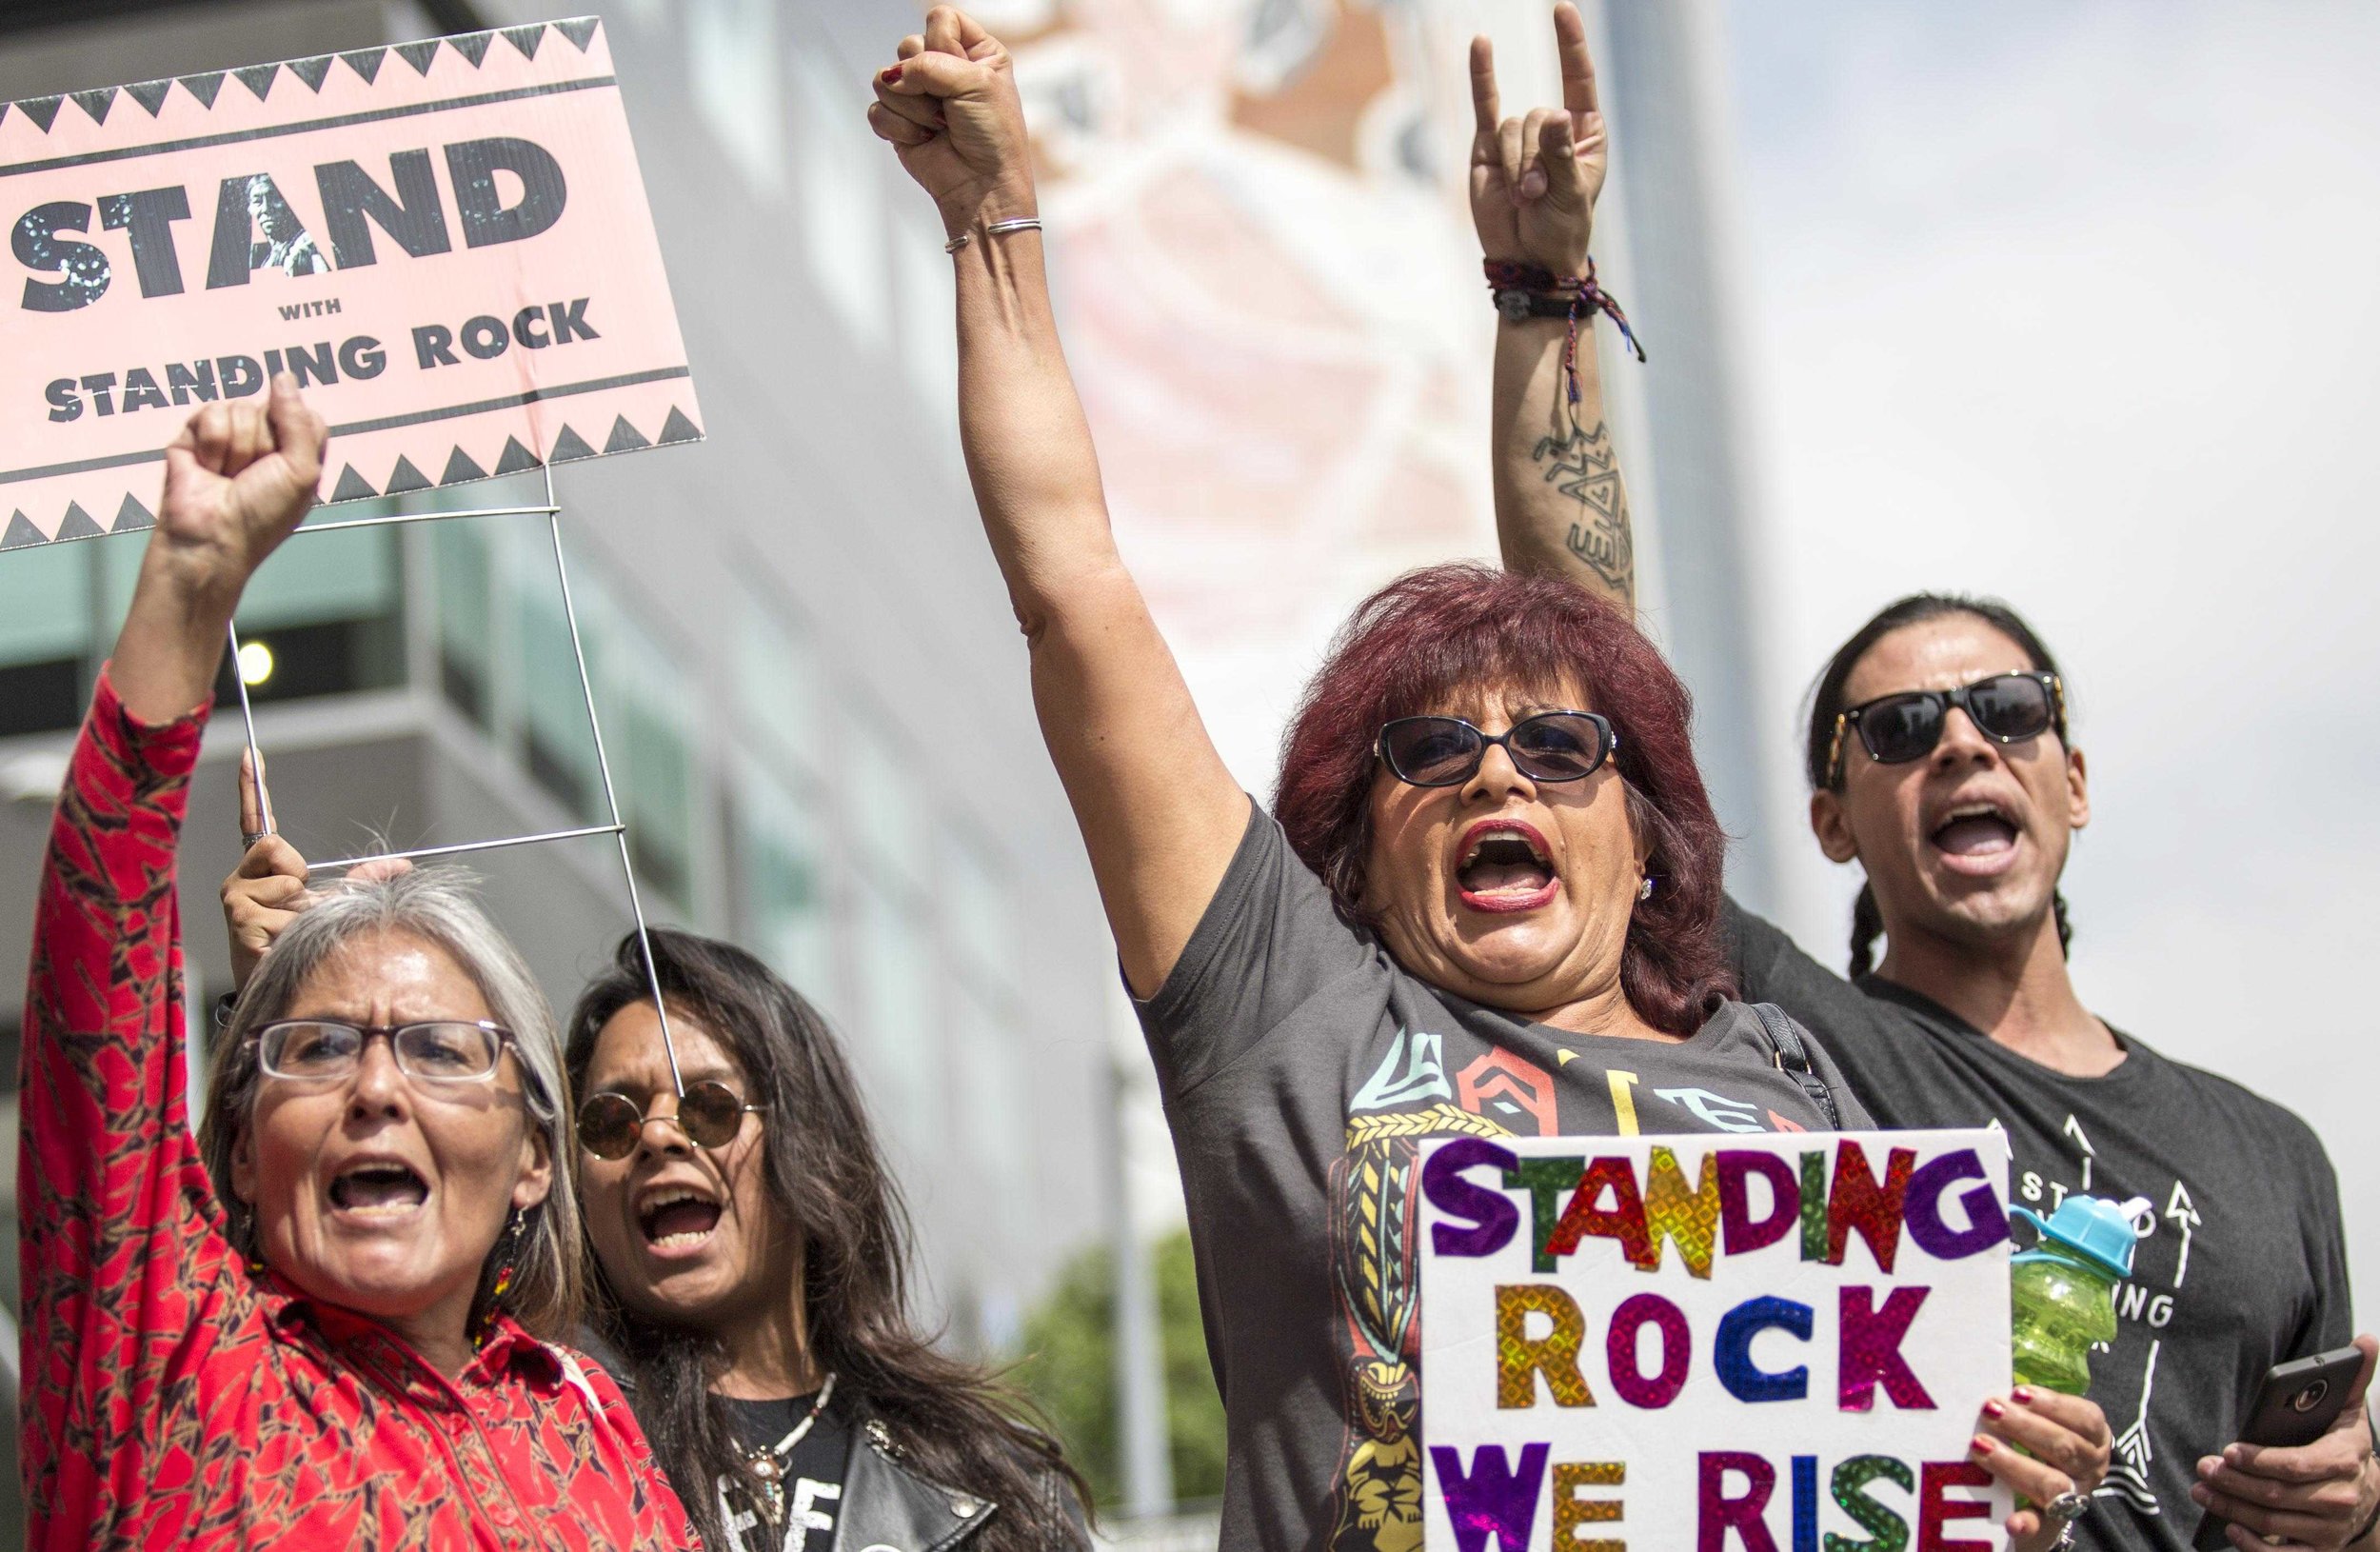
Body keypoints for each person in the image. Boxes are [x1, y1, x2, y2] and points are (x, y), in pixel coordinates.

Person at [863, 10, 2108, 1551]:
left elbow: (1893, 1481)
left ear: (1645, 845)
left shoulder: (1799, 1073)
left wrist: (1998, 1472)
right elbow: (1076, 595)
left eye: (1559, 751)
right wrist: (993, 223)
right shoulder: (1290, 1020)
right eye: (1431, 752)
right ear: (1358, 857)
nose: (1495, 773)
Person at [1475, 32, 2377, 1548]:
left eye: (2007, 711)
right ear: (1830, 818)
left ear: (2071, 780)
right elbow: (1593, 673)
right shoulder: (1804, 1043)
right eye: (1897, 731)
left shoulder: (2272, 1152)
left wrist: (2353, 1506)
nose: (1963, 744)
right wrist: (1544, 296)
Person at [18, 378, 692, 1547]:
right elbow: (96, 983)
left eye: (439, 1050)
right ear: (237, 1142)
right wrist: (189, 583)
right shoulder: (173, 1359)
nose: (376, 1090)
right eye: (317, 1048)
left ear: (535, 1154)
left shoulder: (589, 1425)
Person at [223, 836, 1093, 1552]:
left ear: (810, 1142)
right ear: (551, 1169)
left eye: (710, 1107)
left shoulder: (981, 1486)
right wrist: (288, 1017)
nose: (659, 1138)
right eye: (609, 1121)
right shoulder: (532, 1425)